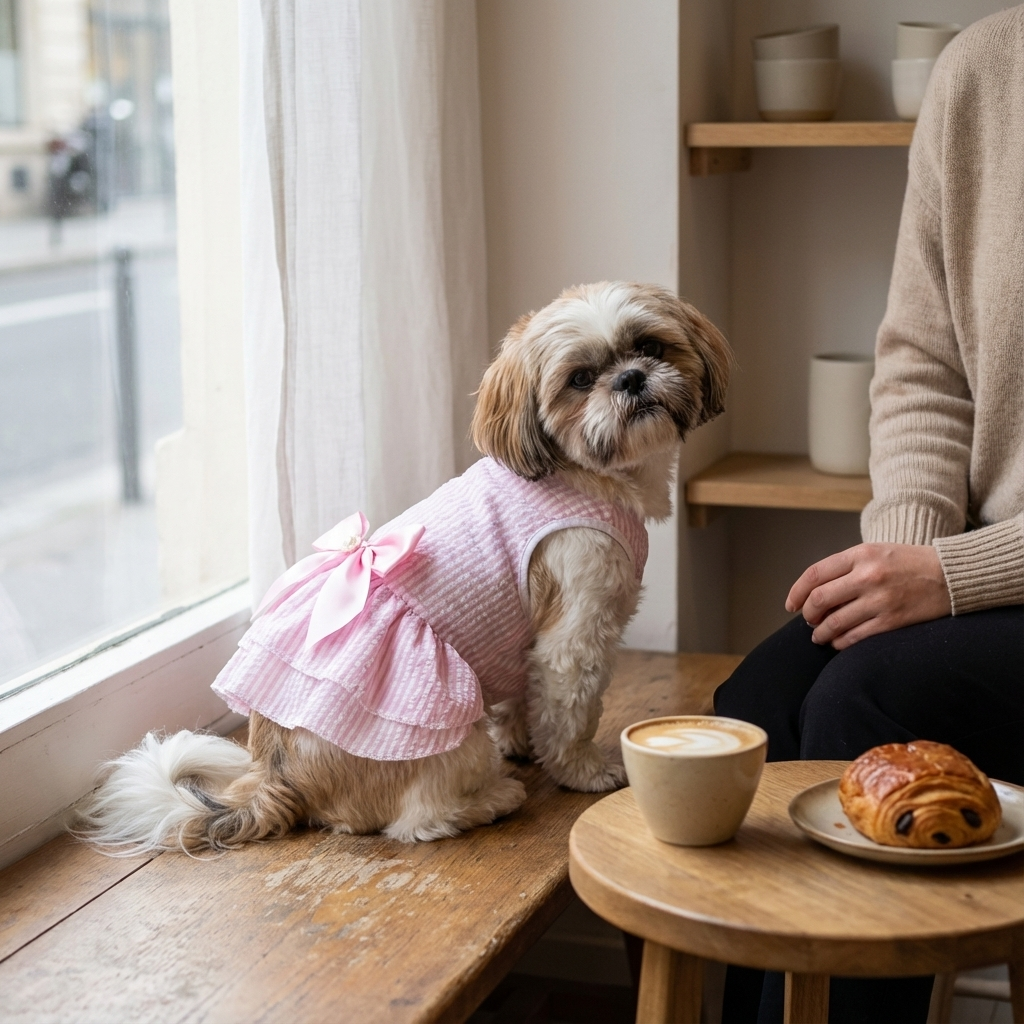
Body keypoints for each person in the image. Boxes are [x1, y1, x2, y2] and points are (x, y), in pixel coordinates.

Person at [713, 7, 1024, 1023]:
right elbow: (924, 367)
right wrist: (906, 561)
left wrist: (954, 580)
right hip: (972, 565)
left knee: (865, 710)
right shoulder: (983, 70)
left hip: (991, 573)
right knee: (745, 714)